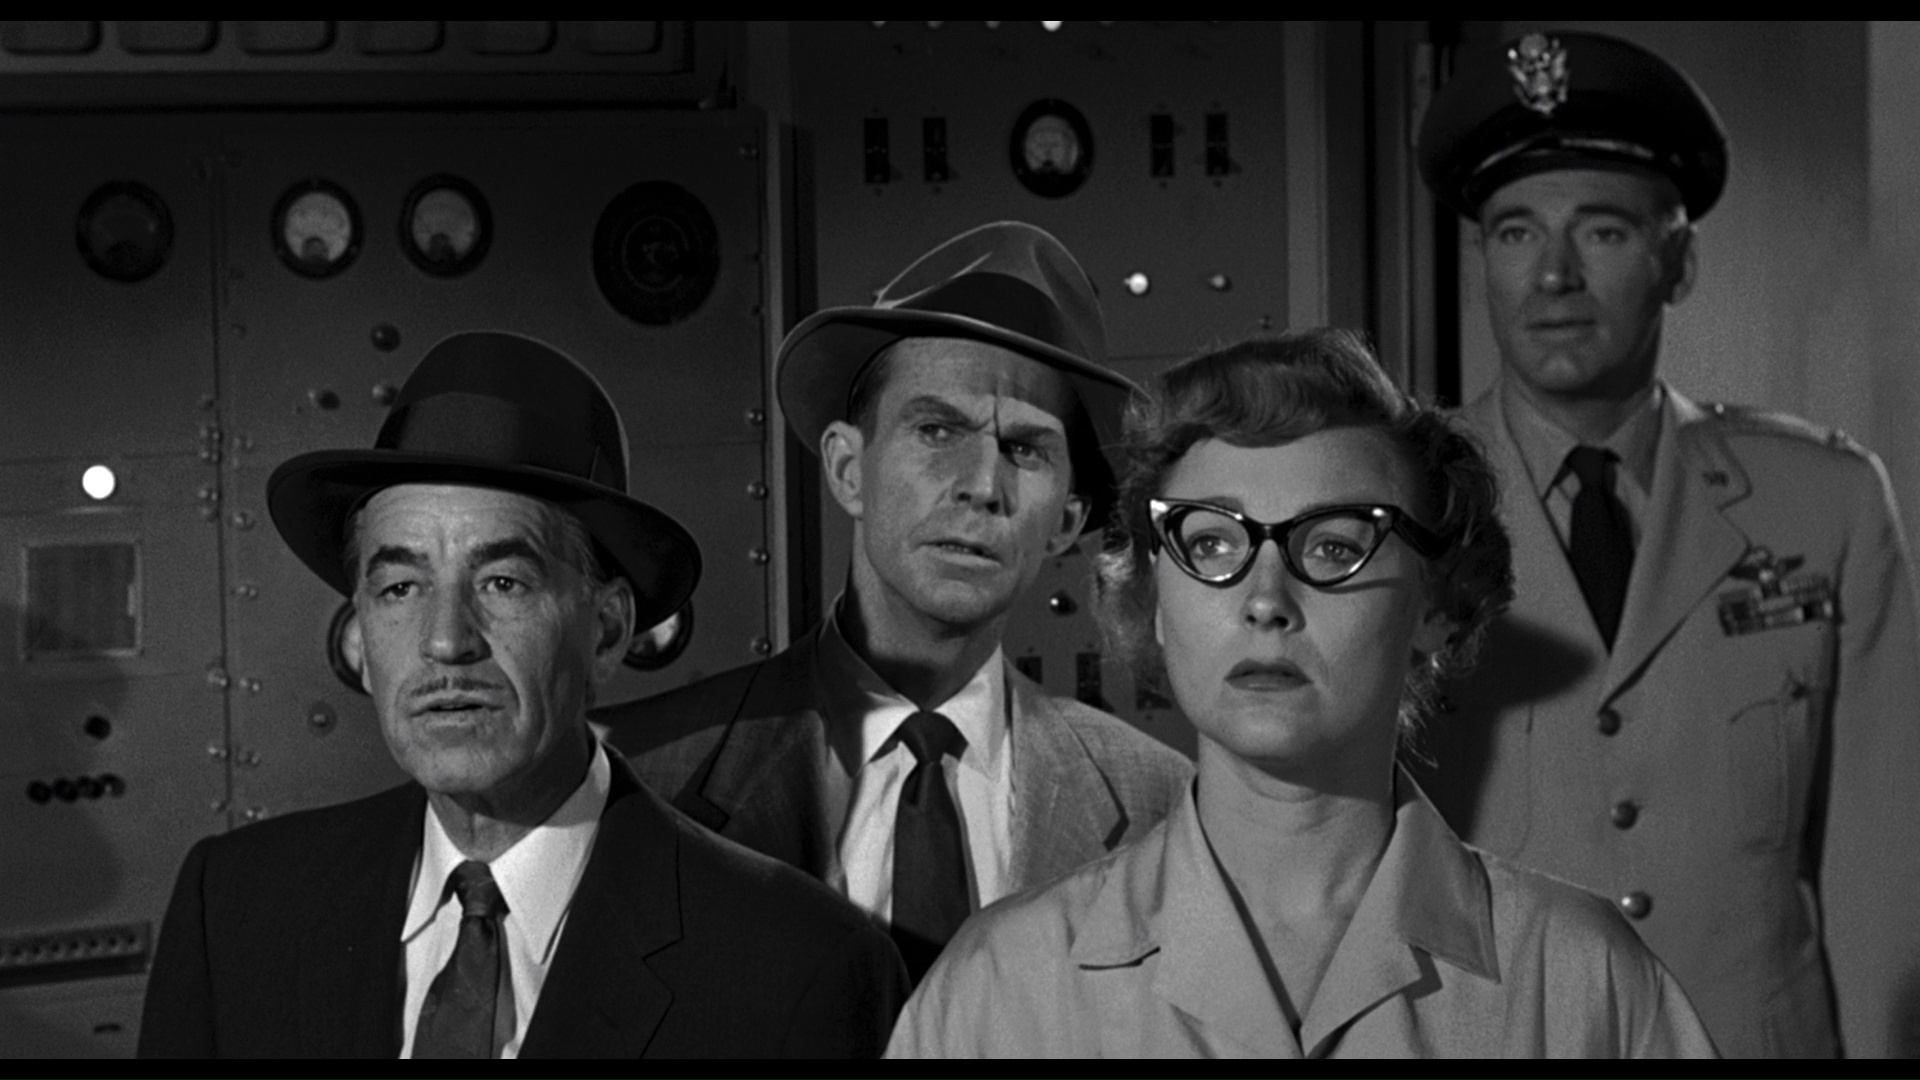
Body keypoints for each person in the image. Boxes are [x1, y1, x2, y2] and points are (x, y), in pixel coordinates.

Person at [888, 331, 1717, 1058]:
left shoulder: (1580, 984)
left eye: (1334, 547)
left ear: (1437, 605)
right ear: (1155, 599)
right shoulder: (1000, 990)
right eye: (1212, 543)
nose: (1266, 600)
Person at [138, 331, 907, 1058]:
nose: (447, 641)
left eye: (503, 582)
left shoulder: (801, 968)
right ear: (361, 642)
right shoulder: (234, 907)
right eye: (401, 587)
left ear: (606, 630)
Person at [1414, 29, 1920, 1058]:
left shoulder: (1823, 502)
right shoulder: (1402, 506)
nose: (1552, 275)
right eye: (1515, 232)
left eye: (1601, 231)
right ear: (1482, 263)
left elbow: (1885, 873)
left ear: (1678, 262)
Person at [595, 222, 1193, 982]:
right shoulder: (638, 778)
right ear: (848, 469)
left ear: (1067, 522)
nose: (983, 484)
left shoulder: (1163, 805)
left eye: (1025, 448)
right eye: (938, 429)